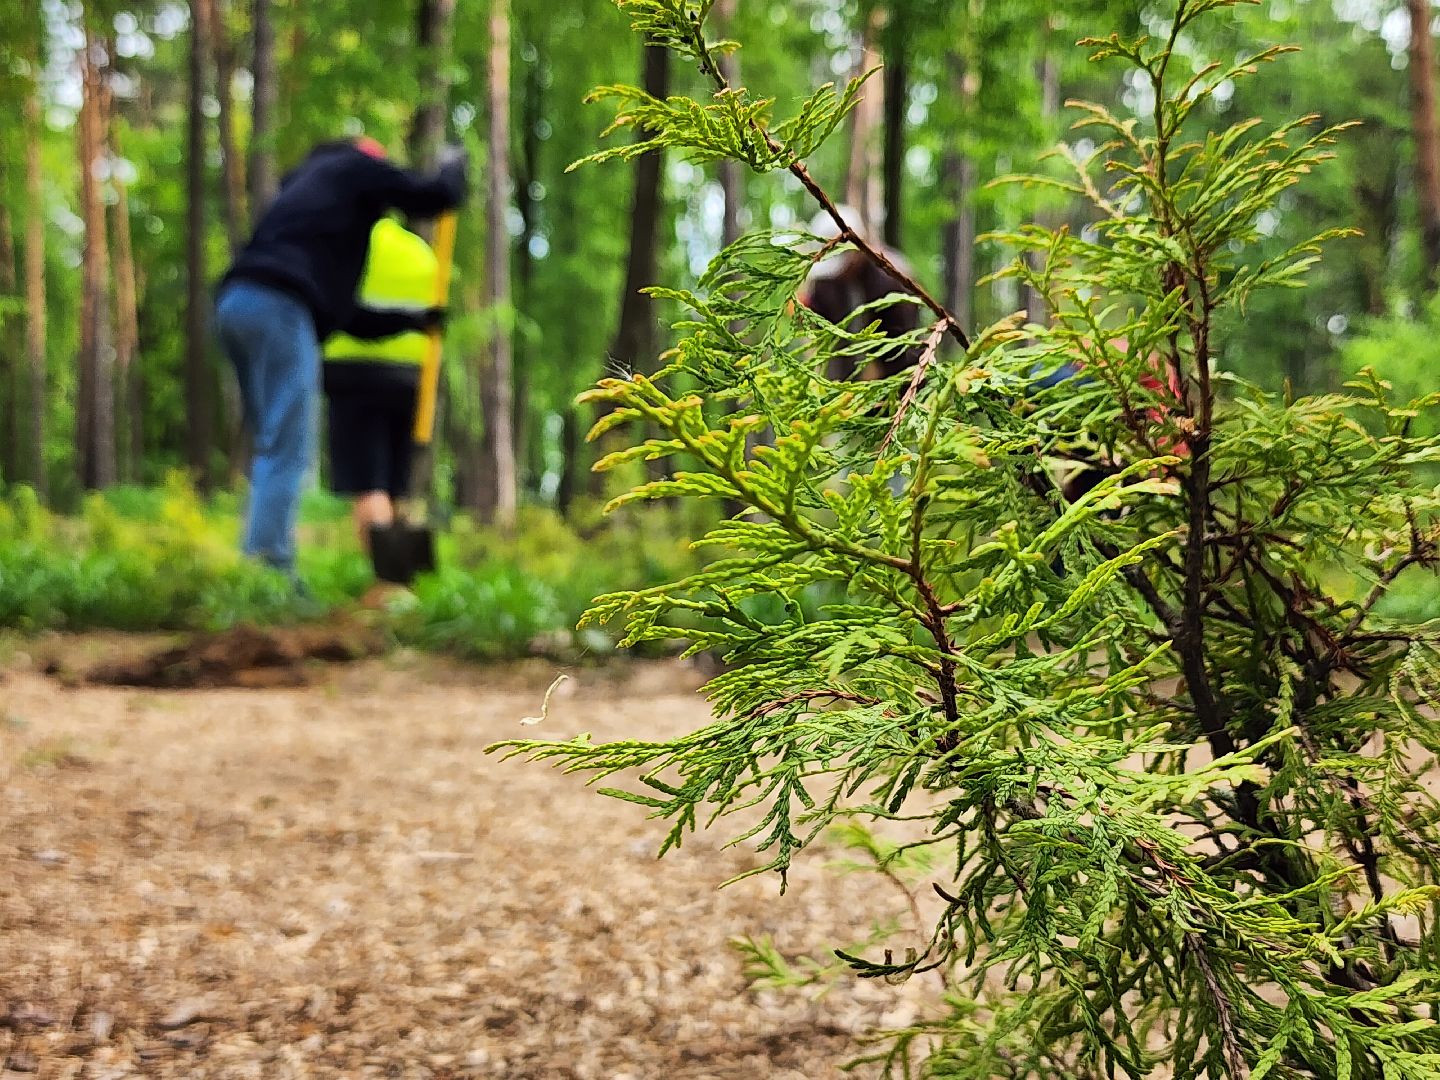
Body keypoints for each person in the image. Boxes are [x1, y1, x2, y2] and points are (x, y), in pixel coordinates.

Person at [214, 136, 466, 578]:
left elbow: (347, 315)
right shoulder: (353, 167)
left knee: (272, 444)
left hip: (236, 305)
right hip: (280, 308)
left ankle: (255, 564)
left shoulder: (308, 200)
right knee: (287, 449)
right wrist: (453, 166)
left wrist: (414, 320)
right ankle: (269, 571)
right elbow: (433, 197)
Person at [321, 216, 438, 563]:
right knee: (394, 483)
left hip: (352, 376)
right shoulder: (419, 251)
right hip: (410, 379)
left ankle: (385, 578)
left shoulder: (346, 241)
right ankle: (403, 576)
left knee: (368, 482)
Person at [797, 206, 923, 382]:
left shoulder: (892, 281)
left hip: (897, 376)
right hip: (844, 377)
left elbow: (895, 351)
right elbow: (819, 310)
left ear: (858, 246)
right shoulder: (831, 280)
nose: (839, 273)